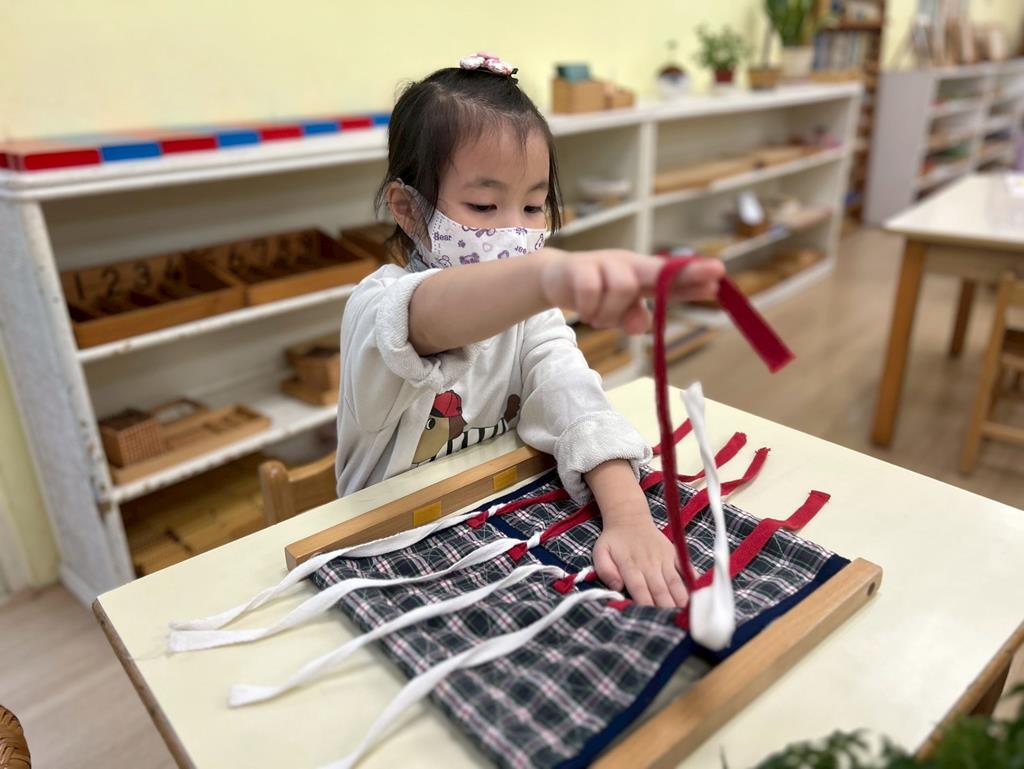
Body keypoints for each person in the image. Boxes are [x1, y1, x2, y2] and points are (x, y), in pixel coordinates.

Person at [335, 53, 724, 608]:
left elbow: (573, 397)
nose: (516, 233)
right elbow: (424, 318)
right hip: (379, 552)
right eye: (484, 205)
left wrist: (629, 517)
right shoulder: (376, 308)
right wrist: (543, 276)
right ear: (409, 209)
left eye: (534, 206)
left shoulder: (531, 315)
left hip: (489, 522)